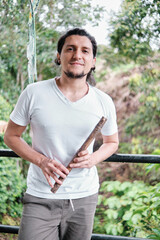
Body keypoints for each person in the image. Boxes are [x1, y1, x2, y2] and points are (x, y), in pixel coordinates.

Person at [4, 28, 119, 240]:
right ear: (59, 56)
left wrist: (93, 158)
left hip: (84, 197)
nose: (77, 55)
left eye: (85, 51)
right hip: (40, 195)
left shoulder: (103, 101)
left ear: (93, 61)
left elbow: (112, 142)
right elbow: (11, 136)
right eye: (70, 49)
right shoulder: (34, 92)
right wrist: (41, 161)